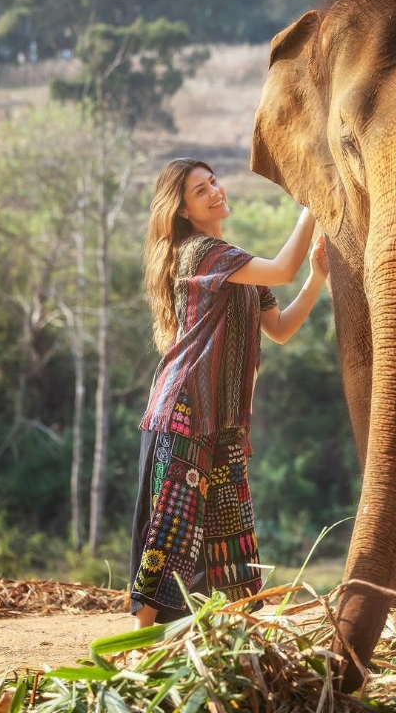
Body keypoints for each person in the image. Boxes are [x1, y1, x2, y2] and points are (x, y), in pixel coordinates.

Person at [130, 157, 328, 628]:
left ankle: (239, 633)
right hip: (184, 410)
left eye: (213, 181)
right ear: (182, 211)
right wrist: (314, 202)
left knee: (231, 532)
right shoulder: (202, 253)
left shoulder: (233, 259)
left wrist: (317, 279)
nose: (216, 190)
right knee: (173, 529)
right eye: (201, 190)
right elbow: (282, 268)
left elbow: (278, 329)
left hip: (223, 420)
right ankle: (139, 644)